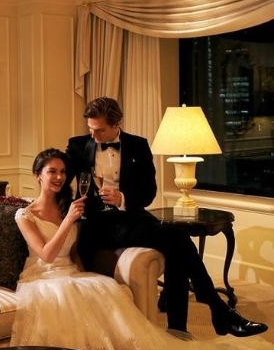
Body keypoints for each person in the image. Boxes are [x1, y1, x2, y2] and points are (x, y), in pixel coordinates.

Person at [10, 148, 274, 350]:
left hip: (73, 270)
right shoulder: (25, 214)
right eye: (52, 172)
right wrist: (69, 220)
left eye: (62, 172)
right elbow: (46, 254)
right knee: (72, 296)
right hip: (42, 277)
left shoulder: (72, 206)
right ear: (38, 175)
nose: (59, 177)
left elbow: (77, 250)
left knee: (117, 281)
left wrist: (84, 267)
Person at [65, 96, 267, 337]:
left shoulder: (138, 145)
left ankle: (181, 328)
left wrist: (122, 198)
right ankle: (215, 311)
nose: (93, 135)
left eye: (99, 130)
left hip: (130, 216)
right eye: (91, 129)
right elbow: (57, 177)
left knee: (176, 244)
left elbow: (149, 192)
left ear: (117, 123)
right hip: (99, 225)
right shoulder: (78, 146)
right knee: (178, 240)